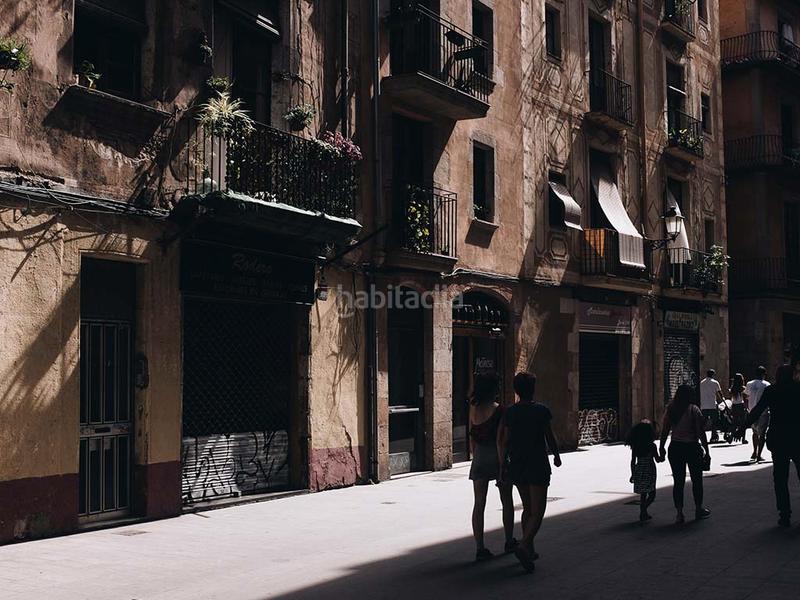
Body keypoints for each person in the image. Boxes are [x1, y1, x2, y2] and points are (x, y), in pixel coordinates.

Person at [497, 372, 562, 573]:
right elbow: (549, 436)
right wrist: (556, 455)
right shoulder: (541, 410)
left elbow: (505, 441)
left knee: (527, 507)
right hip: (537, 463)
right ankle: (524, 545)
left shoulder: (510, 412)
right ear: (532, 389)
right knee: (538, 511)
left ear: (516, 390)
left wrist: (502, 466)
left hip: (517, 465)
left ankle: (530, 549)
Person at [467, 373, 515, 561]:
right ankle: (509, 540)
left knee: (479, 503)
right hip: (496, 457)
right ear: (493, 388)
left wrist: (474, 456)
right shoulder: (500, 410)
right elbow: (500, 441)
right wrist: (503, 466)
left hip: (479, 457)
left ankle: (480, 548)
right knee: (506, 500)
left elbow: (472, 435)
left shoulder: (473, 408)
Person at [746, 364, 800, 528]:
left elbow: (758, 410)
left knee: (780, 478)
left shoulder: (772, 391)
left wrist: (743, 426)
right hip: (797, 437)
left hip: (779, 438)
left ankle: (784, 514)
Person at [660, 384, 712, 524]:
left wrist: (661, 447)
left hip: (675, 448)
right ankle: (698, 509)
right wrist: (707, 451)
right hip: (692, 448)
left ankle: (679, 513)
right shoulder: (693, 410)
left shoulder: (671, 409)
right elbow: (700, 432)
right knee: (697, 480)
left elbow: (665, 429)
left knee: (678, 482)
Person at [626, 420, 664, 522]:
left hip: (639, 469)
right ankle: (643, 511)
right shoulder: (652, 446)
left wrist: (632, 474)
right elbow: (658, 459)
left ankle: (643, 512)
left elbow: (633, 461)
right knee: (652, 494)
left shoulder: (636, 446)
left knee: (643, 494)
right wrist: (663, 456)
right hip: (650, 470)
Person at [746, 366, 771, 461]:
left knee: (755, 433)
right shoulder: (766, 384)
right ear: (764, 374)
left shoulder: (749, 384)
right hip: (763, 412)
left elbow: (745, 396)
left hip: (752, 411)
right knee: (762, 434)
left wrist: (747, 407)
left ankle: (754, 452)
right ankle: (759, 455)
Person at [700, 370, 725, 442]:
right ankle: (713, 436)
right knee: (715, 422)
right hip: (712, 405)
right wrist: (723, 400)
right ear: (713, 375)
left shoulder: (701, 383)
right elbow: (719, 393)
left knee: (703, 423)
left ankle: (701, 436)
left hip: (704, 406)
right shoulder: (715, 382)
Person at [729, 373, 750, 444]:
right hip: (741, 406)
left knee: (734, 423)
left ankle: (731, 437)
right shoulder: (743, 388)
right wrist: (746, 407)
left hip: (734, 406)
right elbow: (745, 399)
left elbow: (731, 397)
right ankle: (743, 439)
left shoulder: (732, 388)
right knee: (743, 423)